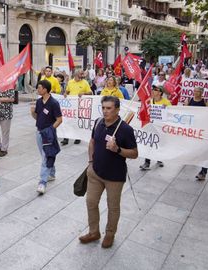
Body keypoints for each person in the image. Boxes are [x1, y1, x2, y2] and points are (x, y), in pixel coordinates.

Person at [79, 95, 138, 248]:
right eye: (103, 108)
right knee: (90, 202)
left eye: (109, 108)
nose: (105, 111)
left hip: (115, 177)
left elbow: (134, 153)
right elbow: (92, 142)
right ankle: (94, 232)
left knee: (113, 207)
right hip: (95, 173)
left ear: (117, 110)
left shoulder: (125, 129)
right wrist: (90, 163)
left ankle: (110, 234)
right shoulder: (98, 122)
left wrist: (117, 149)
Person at [30, 80, 62, 194]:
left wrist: (51, 130)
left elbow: (59, 119)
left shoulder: (54, 103)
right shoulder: (38, 102)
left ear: (45, 89)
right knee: (46, 155)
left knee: (45, 157)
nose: (38, 90)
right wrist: (32, 112)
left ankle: (42, 182)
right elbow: (37, 118)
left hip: (48, 135)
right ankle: (52, 174)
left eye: (39, 88)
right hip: (39, 133)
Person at [140, 85, 170, 170]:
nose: (153, 91)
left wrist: (166, 109)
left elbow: (171, 114)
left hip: (160, 127)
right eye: (152, 89)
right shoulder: (149, 101)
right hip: (151, 126)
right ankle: (147, 162)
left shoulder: (166, 102)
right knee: (149, 143)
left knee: (159, 143)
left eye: (155, 90)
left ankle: (159, 159)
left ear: (160, 92)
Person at [62, 69, 92, 145]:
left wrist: (84, 93)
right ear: (76, 74)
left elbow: (90, 92)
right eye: (81, 74)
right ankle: (66, 138)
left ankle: (78, 137)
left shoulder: (85, 82)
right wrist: (65, 93)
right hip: (70, 106)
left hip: (79, 106)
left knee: (77, 122)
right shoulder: (70, 82)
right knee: (68, 121)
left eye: (83, 74)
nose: (82, 75)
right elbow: (67, 91)